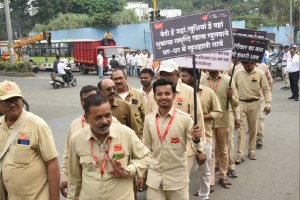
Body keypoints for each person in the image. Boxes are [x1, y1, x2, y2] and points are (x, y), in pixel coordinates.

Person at [67, 94, 151, 200]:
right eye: (98, 117)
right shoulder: (77, 139)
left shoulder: (126, 133)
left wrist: (129, 170)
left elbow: (147, 157)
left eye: (107, 115)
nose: (105, 121)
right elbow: (74, 179)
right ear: (87, 119)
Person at [141, 79, 205, 200]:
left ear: (174, 95)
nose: (163, 97)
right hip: (155, 179)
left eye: (167, 93)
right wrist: (141, 174)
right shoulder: (149, 120)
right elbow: (146, 148)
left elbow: (197, 146)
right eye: (159, 94)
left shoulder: (185, 119)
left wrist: (197, 140)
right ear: (154, 97)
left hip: (177, 180)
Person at [0, 80, 60, 200]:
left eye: (15, 100)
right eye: (7, 101)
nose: (12, 105)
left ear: (22, 101)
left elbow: (52, 163)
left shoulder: (37, 125)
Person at [145, 59, 206, 174]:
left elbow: (198, 121)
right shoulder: (153, 94)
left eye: (169, 74)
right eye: (162, 74)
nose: (165, 77)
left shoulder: (190, 92)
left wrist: (200, 150)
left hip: (183, 151)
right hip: (158, 151)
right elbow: (147, 121)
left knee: (179, 184)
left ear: (178, 74)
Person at [180, 68, 222, 198]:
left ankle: (204, 195)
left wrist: (201, 117)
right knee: (183, 172)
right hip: (184, 140)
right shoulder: (178, 93)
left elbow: (218, 112)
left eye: (185, 76)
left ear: (194, 77)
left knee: (204, 170)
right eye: (181, 76)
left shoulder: (208, 93)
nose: (182, 79)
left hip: (204, 138)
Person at [201, 70, 239, 190]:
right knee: (209, 152)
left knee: (223, 150)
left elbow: (236, 102)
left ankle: (223, 176)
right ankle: (210, 181)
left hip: (223, 120)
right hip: (208, 121)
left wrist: (231, 96)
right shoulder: (201, 80)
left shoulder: (228, 80)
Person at [234, 61, 272, 163]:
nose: (247, 66)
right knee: (241, 129)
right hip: (240, 103)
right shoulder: (237, 73)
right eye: (244, 64)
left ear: (254, 63)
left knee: (253, 128)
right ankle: (240, 154)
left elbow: (266, 89)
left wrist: (268, 104)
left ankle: (251, 150)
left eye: (249, 64)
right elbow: (233, 89)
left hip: (255, 103)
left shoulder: (260, 73)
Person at [111, 69, 145, 139]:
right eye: (115, 79)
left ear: (126, 78)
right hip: (119, 138)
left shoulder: (137, 94)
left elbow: (144, 115)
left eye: (120, 78)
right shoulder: (110, 97)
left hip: (137, 137)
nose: (118, 81)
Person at [255, 63, 273, 148]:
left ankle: (259, 137)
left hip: (261, 98)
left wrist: (268, 98)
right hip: (244, 101)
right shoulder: (238, 68)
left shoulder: (264, 67)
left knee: (260, 118)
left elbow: (270, 80)